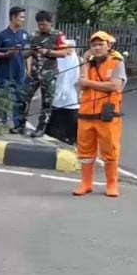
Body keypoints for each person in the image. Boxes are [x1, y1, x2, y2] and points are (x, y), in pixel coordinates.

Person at [73, 31, 126, 198]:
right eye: (93, 45)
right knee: (85, 152)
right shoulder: (87, 63)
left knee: (110, 150)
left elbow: (115, 86)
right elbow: (81, 84)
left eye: (100, 44)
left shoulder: (116, 62)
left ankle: (112, 185)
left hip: (108, 115)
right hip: (86, 114)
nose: (97, 48)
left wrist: (88, 83)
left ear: (108, 46)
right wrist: (83, 61)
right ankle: (86, 184)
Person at [21, 10, 67, 137]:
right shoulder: (34, 35)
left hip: (49, 73)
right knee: (24, 97)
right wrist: (29, 58)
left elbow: (64, 53)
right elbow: (26, 53)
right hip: (34, 72)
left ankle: (41, 128)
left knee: (46, 101)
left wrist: (47, 52)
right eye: (39, 24)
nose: (41, 27)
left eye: (44, 24)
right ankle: (20, 124)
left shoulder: (58, 35)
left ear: (50, 23)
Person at [0, 6, 30, 131]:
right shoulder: (2, 35)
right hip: (4, 73)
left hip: (19, 73)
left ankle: (18, 125)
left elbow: (27, 54)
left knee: (19, 99)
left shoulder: (25, 35)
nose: (23, 20)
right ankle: (1, 124)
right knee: (3, 98)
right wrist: (6, 54)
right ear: (13, 17)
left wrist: (28, 69)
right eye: (21, 17)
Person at [46, 39, 81, 145]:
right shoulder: (58, 59)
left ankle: (71, 137)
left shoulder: (75, 59)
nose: (69, 50)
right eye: (66, 47)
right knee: (57, 113)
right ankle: (55, 135)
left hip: (70, 91)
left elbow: (75, 76)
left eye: (70, 47)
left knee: (71, 112)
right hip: (58, 91)